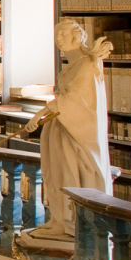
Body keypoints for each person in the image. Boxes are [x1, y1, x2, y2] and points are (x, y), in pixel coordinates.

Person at [24, 19, 112, 239]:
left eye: (63, 34)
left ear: (77, 36)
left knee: (71, 175)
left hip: (77, 135)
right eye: (56, 34)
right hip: (62, 131)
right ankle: (58, 219)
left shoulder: (86, 66)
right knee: (58, 174)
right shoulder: (73, 64)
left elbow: (74, 102)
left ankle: (71, 224)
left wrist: (39, 115)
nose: (58, 38)